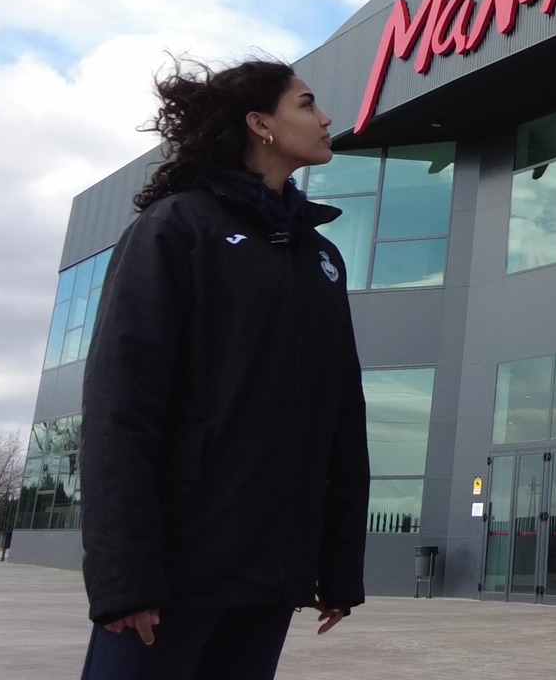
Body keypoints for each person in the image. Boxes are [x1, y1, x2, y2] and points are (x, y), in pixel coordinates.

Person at [78, 58, 368, 680]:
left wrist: (337, 566)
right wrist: (124, 577)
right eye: (308, 104)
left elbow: (342, 417)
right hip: (173, 577)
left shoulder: (322, 258)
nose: (326, 119)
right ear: (260, 124)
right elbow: (119, 408)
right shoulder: (177, 228)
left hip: (268, 578)